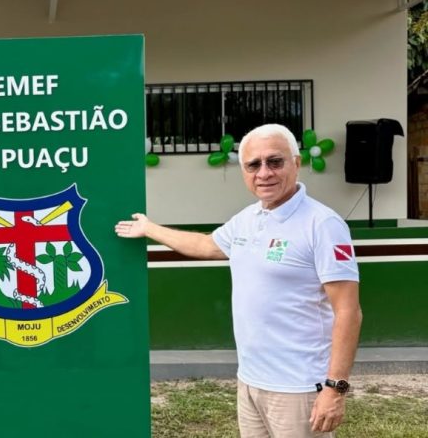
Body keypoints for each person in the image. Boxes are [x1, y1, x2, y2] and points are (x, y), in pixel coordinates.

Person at [115, 123, 362, 438]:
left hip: (298, 388)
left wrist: (335, 389)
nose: (264, 173)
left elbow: (348, 311)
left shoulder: (322, 224)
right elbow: (206, 245)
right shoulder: (248, 218)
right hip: (250, 382)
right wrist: (149, 229)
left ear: (296, 163)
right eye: (253, 165)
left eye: (275, 161)